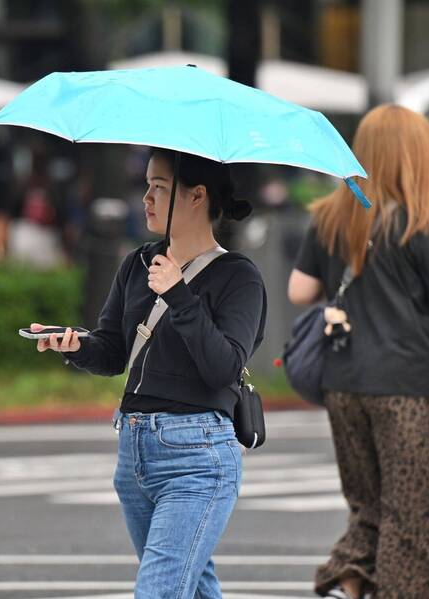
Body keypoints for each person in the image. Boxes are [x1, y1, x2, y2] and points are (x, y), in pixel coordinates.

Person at [287, 104, 429, 599]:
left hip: (344, 385)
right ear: (417, 157)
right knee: (412, 518)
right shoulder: (422, 225)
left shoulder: (331, 218)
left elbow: (299, 290)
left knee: (368, 506)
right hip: (408, 390)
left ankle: (349, 578)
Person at [31, 148, 266, 599]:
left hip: (197, 457)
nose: (146, 198)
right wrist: (76, 346)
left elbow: (223, 367)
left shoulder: (239, 277)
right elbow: (114, 353)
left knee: (159, 591)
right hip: (134, 450)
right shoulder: (139, 264)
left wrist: (178, 294)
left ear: (196, 196)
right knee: (191, 587)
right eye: (146, 186)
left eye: (159, 187)